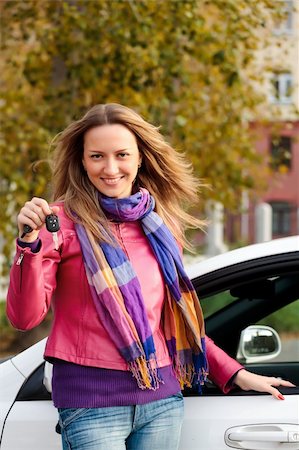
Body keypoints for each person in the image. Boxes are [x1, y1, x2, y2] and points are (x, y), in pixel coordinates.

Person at [6, 103, 294, 450]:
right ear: (82, 161)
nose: (110, 168)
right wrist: (27, 244)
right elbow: (24, 317)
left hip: (161, 402)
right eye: (97, 156)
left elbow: (173, 323)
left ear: (140, 158)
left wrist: (236, 374)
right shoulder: (60, 224)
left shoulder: (158, 225)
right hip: (90, 405)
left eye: (122, 154)